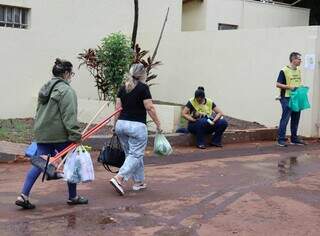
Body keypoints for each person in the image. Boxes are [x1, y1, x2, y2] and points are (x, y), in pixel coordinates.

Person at [15, 59, 88, 209]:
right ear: (66, 73)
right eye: (71, 74)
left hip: (42, 132)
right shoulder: (66, 91)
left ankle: (23, 195)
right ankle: (73, 196)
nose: (71, 77)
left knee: (40, 162)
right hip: (59, 134)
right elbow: (69, 116)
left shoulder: (45, 88)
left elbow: (39, 111)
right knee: (70, 163)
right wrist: (76, 136)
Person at [110, 63, 162, 196]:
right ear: (143, 75)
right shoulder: (143, 88)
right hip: (137, 126)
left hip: (121, 124)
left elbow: (117, 109)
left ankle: (139, 182)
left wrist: (114, 125)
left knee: (131, 154)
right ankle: (119, 178)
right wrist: (158, 124)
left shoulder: (123, 88)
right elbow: (149, 107)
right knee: (135, 154)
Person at [276, 52, 306, 147]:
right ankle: (281, 139)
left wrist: (302, 87)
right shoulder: (284, 70)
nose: (301, 61)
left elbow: (297, 82)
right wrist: (290, 87)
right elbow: (278, 84)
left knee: (296, 117)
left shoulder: (298, 70)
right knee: (285, 118)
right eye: (299, 59)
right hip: (286, 97)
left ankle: (294, 138)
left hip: (297, 97)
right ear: (293, 59)